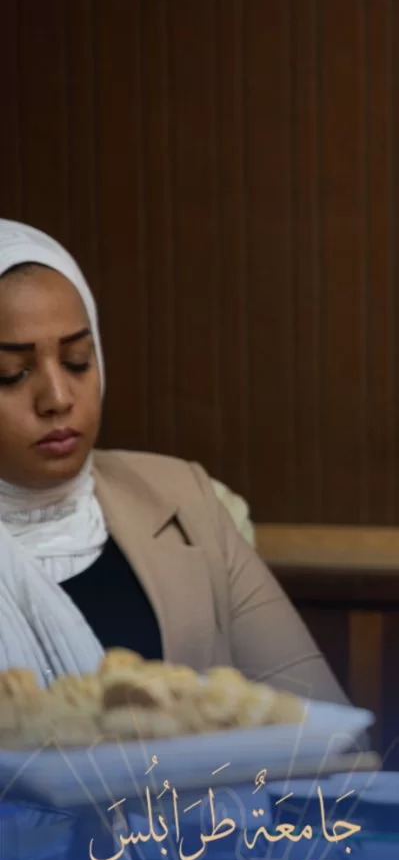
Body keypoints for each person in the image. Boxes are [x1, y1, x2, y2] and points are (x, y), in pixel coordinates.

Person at [0, 219, 345, 703]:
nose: (58, 398)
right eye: (11, 374)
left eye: (78, 360)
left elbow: (321, 722)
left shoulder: (184, 499)